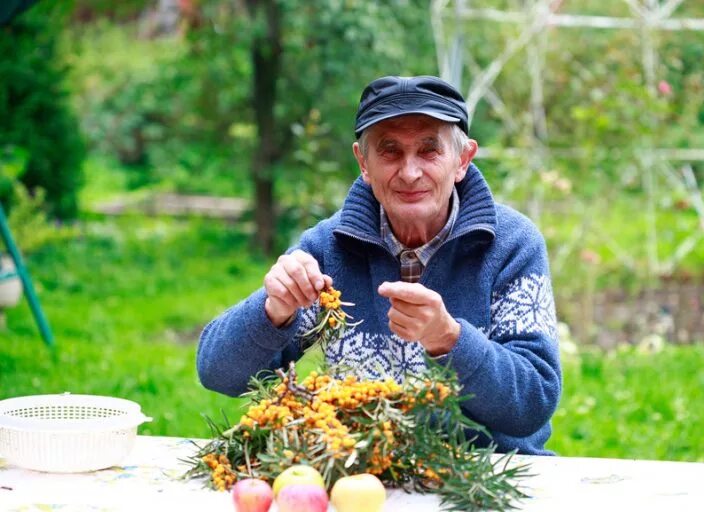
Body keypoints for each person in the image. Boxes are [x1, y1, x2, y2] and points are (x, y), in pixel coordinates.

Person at [197, 75, 562, 455]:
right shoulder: (328, 249)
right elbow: (218, 373)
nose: (409, 172)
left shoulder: (511, 245)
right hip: (367, 475)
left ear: (462, 160)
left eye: (429, 151)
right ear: (363, 163)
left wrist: (448, 340)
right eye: (390, 151)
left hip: (489, 475)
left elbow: (532, 403)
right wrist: (274, 310)